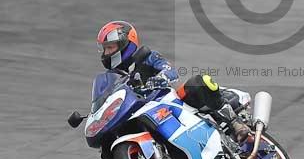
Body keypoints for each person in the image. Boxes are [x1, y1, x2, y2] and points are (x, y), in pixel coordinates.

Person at [95, 20, 252, 142]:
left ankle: (236, 123)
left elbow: (170, 71)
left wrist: (161, 78)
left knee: (199, 82)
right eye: (105, 49)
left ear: (126, 44)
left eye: (110, 47)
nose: (106, 53)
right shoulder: (113, 78)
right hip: (142, 113)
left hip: (169, 101)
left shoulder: (147, 57)